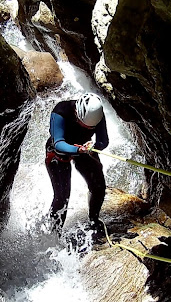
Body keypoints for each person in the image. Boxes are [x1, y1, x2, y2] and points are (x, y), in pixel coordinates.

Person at [45, 93, 109, 235]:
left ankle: (94, 220)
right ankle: (54, 234)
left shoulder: (97, 114)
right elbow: (58, 143)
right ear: (77, 113)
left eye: (90, 128)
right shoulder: (61, 111)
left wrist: (95, 147)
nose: (86, 128)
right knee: (62, 197)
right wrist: (78, 149)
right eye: (83, 125)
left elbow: (103, 140)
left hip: (85, 149)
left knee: (98, 186)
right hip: (59, 152)